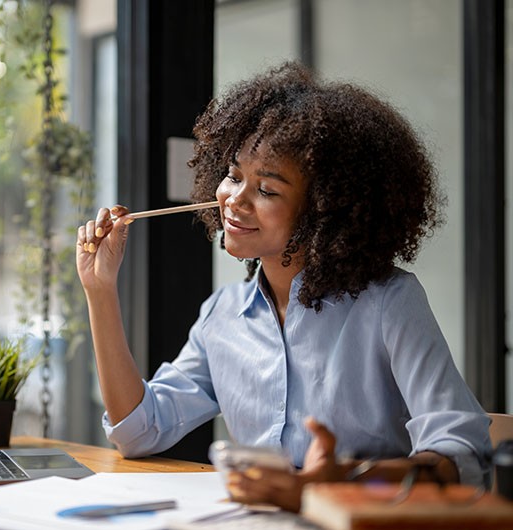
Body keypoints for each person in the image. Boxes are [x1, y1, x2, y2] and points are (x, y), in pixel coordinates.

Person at [75, 61, 491, 512]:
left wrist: (345, 481)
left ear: (325, 211)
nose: (235, 199)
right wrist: (101, 291)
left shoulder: (389, 301)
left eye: (267, 190)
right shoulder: (223, 314)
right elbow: (140, 432)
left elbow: (463, 455)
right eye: (234, 175)